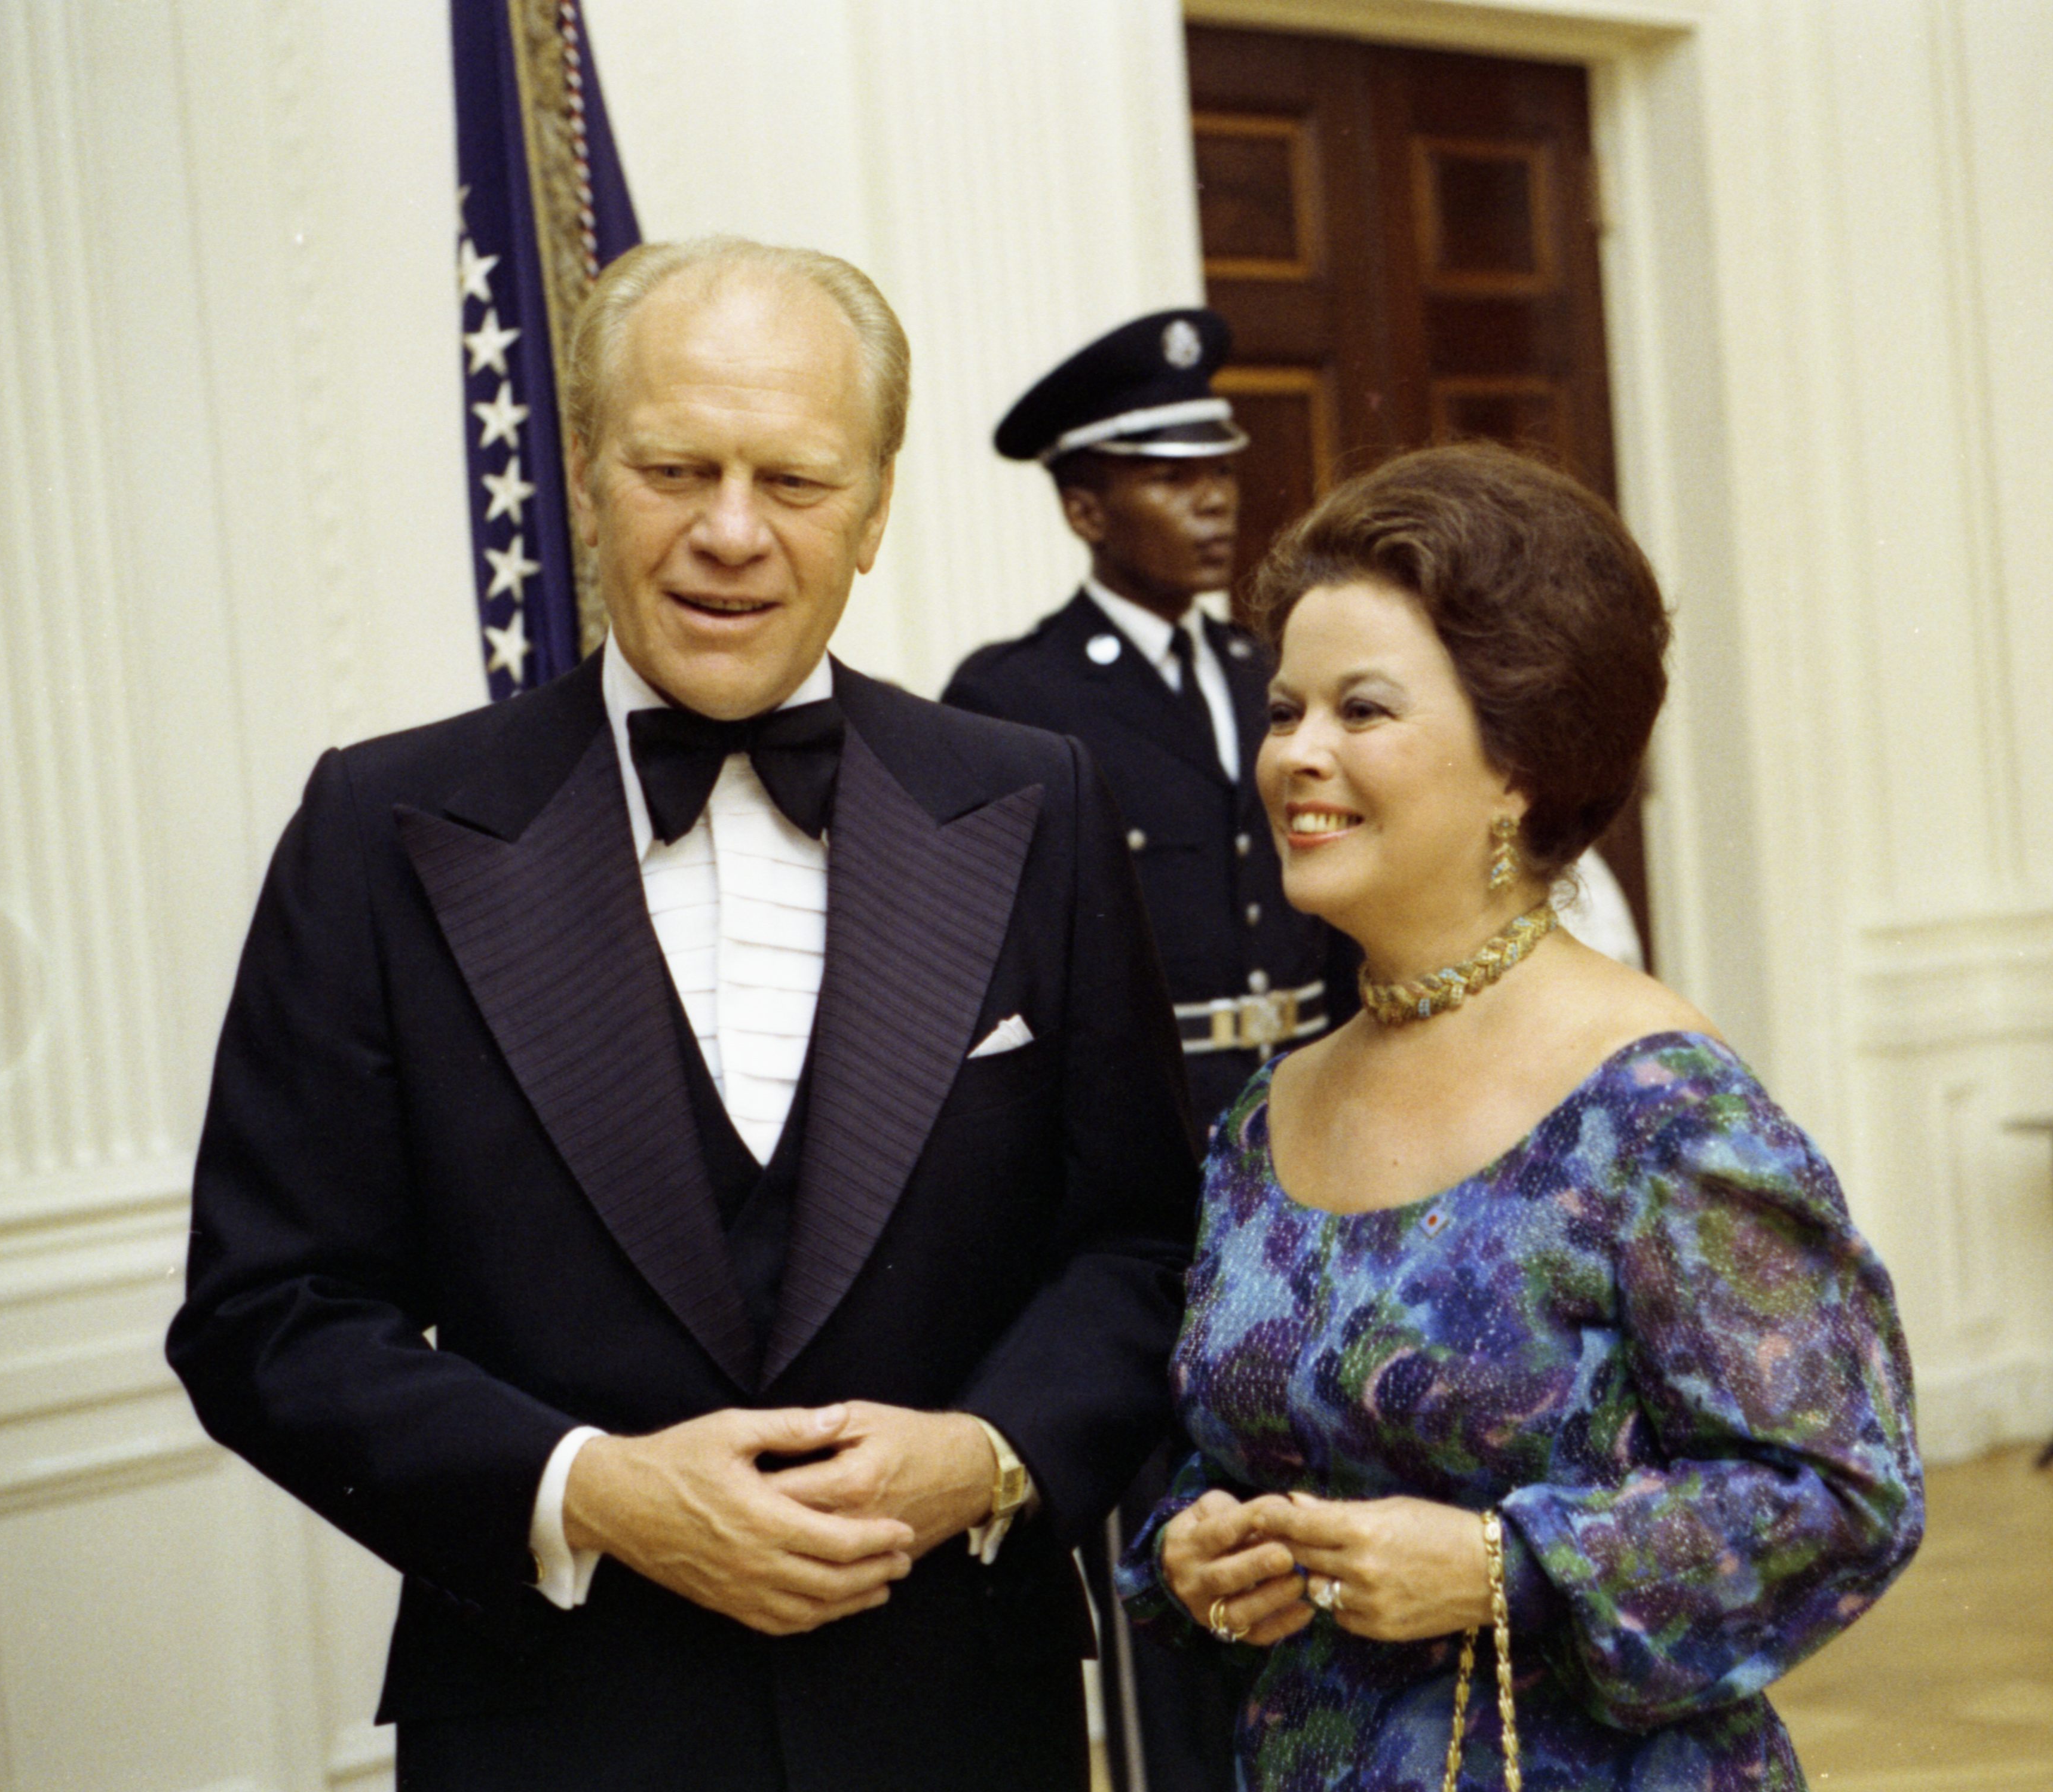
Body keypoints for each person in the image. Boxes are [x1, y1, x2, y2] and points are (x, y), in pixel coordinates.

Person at [167, 236, 1199, 1790]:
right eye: (673, 467)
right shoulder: (378, 823)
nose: (730, 533)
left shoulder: (1035, 800)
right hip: (555, 1725)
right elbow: (268, 1318)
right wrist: (588, 1491)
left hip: (954, 1716)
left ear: (873, 508)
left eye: (792, 480)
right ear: (583, 476)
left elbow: (1136, 1242)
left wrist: (981, 1460)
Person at [1114, 443, 1925, 1790]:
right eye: (1283, 710)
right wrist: (1192, 1548)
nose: (1297, 756)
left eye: (1361, 712)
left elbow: (1845, 1498)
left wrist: (1509, 1568)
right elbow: (1239, 1448)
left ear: (1519, 762)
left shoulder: (1658, 1108)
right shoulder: (1268, 1116)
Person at [947, 309, 1350, 1792]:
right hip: (1143, 1162)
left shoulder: (1275, 672)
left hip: (1309, 1137)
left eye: (1221, 470)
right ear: (1080, 505)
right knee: (1171, 1542)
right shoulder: (1012, 698)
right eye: (1167, 475)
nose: (1213, 500)